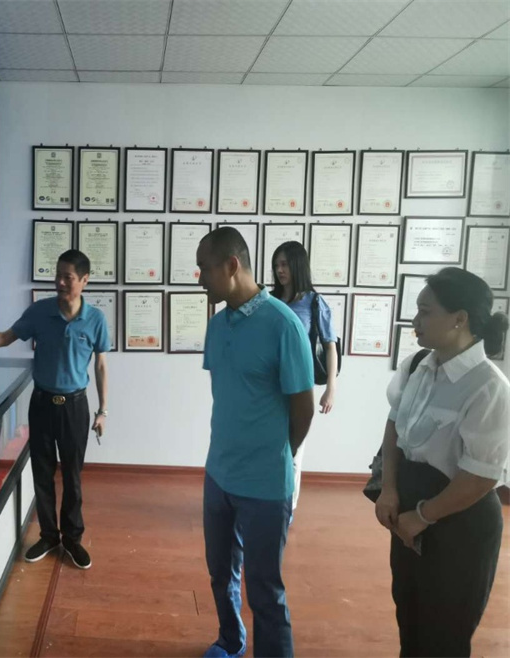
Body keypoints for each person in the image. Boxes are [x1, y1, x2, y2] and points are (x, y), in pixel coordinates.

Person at [0, 249, 110, 570]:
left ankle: (72, 538)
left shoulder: (96, 320)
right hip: (42, 403)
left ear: (84, 281)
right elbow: (6, 337)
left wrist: (103, 411)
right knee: (42, 474)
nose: (60, 282)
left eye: (68, 278)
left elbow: (101, 365)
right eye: (58, 275)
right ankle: (49, 535)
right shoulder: (40, 312)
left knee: (72, 477)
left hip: (75, 407)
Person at [375, 267, 509, 657]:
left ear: (459, 319)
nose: (415, 321)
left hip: (459, 522)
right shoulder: (418, 364)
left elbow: (481, 477)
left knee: (445, 634)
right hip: (409, 512)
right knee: (410, 616)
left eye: (425, 311)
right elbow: (394, 426)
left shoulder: (489, 387)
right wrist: (388, 489)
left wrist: (423, 515)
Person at [197, 227, 315, 658]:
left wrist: (276, 454)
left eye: (204, 269)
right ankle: (230, 641)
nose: (199, 279)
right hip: (218, 475)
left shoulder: (283, 325)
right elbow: (228, 394)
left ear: (232, 266)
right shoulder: (217, 325)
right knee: (220, 573)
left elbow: (303, 409)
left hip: (265, 484)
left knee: (265, 588)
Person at [271, 241, 339, 514]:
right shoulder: (269, 300)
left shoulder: (314, 303)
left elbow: (330, 346)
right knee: (269, 446)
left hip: (300, 386)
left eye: (285, 264)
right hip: (270, 386)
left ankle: (287, 508)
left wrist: (331, 388)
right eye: (277, 265)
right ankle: (267, 502)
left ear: (298, 265)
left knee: (294, 451)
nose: (280, 270)